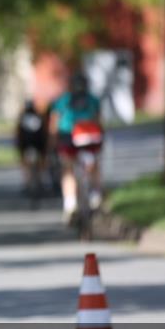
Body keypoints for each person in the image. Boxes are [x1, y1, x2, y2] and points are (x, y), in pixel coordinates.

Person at [48, 72, 103, 222]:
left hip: (68, 138)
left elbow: (53, 125)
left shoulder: (61, 101)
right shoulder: (93, 100)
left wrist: (52, 143)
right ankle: (95, 195)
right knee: (94, 165)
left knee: (68, 170)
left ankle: (70, 205)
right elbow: (98, 121)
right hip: (89, 138)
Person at [15, 99, 48, 195]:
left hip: (26, 146)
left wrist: (18, 146)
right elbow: (43, 133)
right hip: (38, 146)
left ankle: (27, 183)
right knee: (39, 165)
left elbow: (18, 134)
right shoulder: (39, 117)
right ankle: (40, 182)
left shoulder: (22, 118)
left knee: (26, 166)